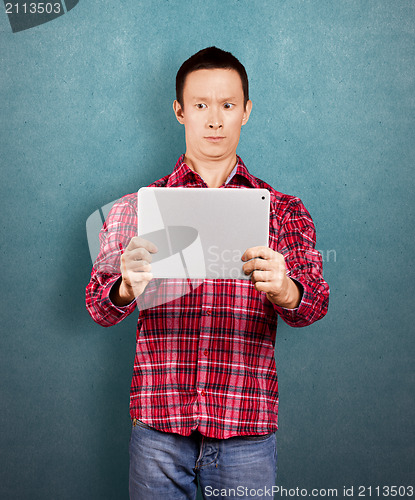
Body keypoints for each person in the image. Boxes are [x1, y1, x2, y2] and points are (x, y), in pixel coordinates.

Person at [86, 46, 329, 500]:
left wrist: (286, 290)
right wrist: (124, 287)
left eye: (228, 105)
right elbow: (98, 307)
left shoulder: (285, 211)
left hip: (245, 429)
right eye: (200, 105)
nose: (214, 120)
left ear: (246, 111)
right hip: (159, 427)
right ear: (180, 111)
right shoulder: (134, 209)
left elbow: (314, 304)